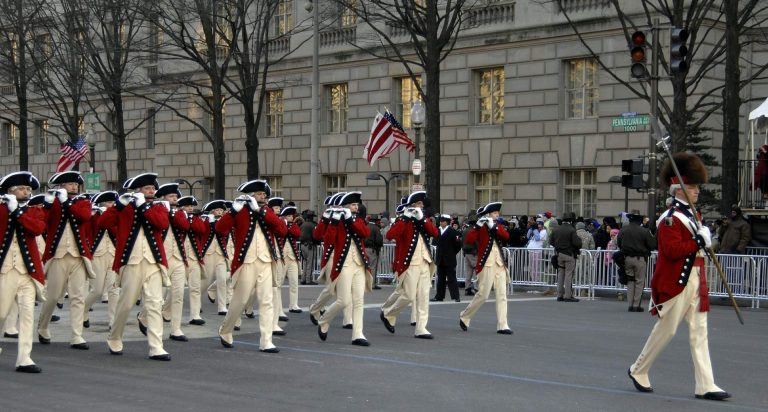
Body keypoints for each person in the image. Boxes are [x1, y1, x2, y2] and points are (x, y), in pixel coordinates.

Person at [628, 152, 731, 401]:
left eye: (696, 187)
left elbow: (695, 249)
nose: (697, 191)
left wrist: (704, 241)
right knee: (667, 330)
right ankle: (638, 369)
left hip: (696, 277)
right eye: (692, 187)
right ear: (679, 190)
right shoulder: (671, 219)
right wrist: (698, 241)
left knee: (700, 331)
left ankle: (705, 384)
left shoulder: (693, 216)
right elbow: (671, 251)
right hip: (677, 280)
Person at [100, 173, 171, 360]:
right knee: (126, 304)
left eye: (153, 188)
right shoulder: (125, 208)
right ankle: (115, 336)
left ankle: (156, 346)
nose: (151, 191)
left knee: (155, 304)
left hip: (154, 262)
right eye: (147, 188)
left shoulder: (159, 207)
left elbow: (161, 224)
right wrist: (118, 205)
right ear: (138, 191)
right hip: (131, 261)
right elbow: (103, 223)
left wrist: (144, 206)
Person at [216, 179, 286, 352]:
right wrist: (233, 211)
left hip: (266, 261)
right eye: (259, 194)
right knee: (240, 300)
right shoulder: (240, 211)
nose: (263, 197)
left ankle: (266, 341)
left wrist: (261, 211)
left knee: (267, 301)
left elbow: (282, 230)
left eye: (264, 194)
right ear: (250, 195)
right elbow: (220, 229)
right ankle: (226, 330)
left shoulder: (267, 211)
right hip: (246, 261)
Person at [37, 171, 93, 350]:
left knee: (78, 297)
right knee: (53, 296)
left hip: (78, 256)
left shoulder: (83, 202)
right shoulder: (53, 203)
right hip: (57, 255)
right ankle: (43, 326)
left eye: (76, 184)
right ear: (61, 186)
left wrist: (67, 203)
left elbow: (85, 217)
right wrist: (49, 204)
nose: (74, 187)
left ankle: (77, 335)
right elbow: (42, 221)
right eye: (70, 184)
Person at [0, 172, 47, 373]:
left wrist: (17, 212)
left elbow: (37, 229)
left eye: (28, 189)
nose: (26, 192)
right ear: (10, 191)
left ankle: (24, 358)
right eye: (21, 188)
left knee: (27, 315)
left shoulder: (33, 211)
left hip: (28, 272)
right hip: (6, 270)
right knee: (1, 313)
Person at [380, 192, 439, 339]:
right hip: (410, 263)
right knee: (409, 295)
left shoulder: (423, 219)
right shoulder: (403, 220)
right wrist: (406, 218)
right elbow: (390, 235)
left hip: (425, 261)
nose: (422, 206)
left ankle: (421, 328)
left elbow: (435, 233)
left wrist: (422, 219)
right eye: (419, 204)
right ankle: (388, 313)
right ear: (412, 205)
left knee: (424, 296)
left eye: (422, 204)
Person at [317, 191, 372, 346]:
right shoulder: (337, 220)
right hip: (344, 264)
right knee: (343, 300)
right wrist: (333, 222)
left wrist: (350, 220)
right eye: (353, 205)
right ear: (345, 206)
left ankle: (358, 334)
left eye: (356, 205)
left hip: (359, 263)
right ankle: (324, 319)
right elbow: (327, 239)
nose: (356, 207)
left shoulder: (358, 220)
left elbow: (365, 233)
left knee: (359, 300)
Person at [459, 202, 512, 334]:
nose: (497, 215)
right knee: (483, 294)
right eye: (495, 213)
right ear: (488, 214)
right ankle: (465, 316)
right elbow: (469, 240)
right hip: (487, 263)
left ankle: (503, 325)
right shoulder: (481, 227)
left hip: (499, 263)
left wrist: (494, 226)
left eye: (497, 213)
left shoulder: (497, 225)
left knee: (502, 295)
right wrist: (478, 226)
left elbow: (506, 236)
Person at [153, 183, 191, 342]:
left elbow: (185, 227)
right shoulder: (156, 210)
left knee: (178, 294)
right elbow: (159, 224)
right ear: (163, 198)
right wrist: (165, 211)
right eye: (171, 196)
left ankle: (176, 329)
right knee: (157, 295)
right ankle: (145, 318)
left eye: (176, 196)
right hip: (161, 258)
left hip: (178, 258)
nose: (175, 199)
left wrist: (173, 213)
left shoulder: (179, 213)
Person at [83, 191, 119, 329]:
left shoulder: (116, 216)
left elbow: (116, 231)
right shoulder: (95, 216)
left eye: (113, 202)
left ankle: (113, 321)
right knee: (97, 290)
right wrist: (96, 214)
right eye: (109, 202)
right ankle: (83, 311)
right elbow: (91, 230)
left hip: (113, 254)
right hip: (98, 255)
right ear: (102, 204)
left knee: (114, 289)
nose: (112, 205)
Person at [177, 196, 208, 326]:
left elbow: (201, 230)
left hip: (194, 258)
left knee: (195, 288)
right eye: (187, 206)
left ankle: (195, 315)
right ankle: (166, 311)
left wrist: (192, 219)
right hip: (180, 258)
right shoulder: (177, 216)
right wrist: (185, 218)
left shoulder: (195, 218)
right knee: (176, 289)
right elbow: (182, 227)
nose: (190, 208)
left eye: (191, 206)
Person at [617, 213, 657, 312]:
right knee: (639, 281)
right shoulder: (644, 231)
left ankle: (630, 304)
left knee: (630, 281)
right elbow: (652, 245)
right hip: (640, 258)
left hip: (627, 258)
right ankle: (636, 305)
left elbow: (619, 243)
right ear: (639, 220)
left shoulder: (623, 230)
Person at [200, 200, 230, 316]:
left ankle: (222, 307)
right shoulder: (206, 221)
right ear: (212, 211)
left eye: (221, 210)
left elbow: (224, 233)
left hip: (220, 254)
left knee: (222, 280)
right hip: (208, 254)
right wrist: (208, 221)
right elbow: (202, 231)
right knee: (206, 280)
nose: (219, 212)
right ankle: (197, 301)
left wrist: (217, 223)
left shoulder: (224, 222)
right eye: (217, 210)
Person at [549, 212, 582, 302]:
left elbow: (551, 241)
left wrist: (558, 246)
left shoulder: (556, 229)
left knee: (560, 274)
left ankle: (559, 295)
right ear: (571, 220)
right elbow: (578, 244)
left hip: (559, 254)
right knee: (568, 274)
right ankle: (568, 295)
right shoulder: (571, 230)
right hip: (569, 254)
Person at [431, 214, 462, 302]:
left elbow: (458, 245)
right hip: (440, 259)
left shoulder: (453, 232)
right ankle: (439, 296)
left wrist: (452, 253)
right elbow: (434, 243)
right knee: (440, 279)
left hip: (449, 259)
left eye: (443, 221)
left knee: (452, 278)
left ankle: (456, 296)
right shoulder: (437, 231)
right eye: (440, 221)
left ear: (447, 222)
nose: (441, 222)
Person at [279, 203, 302, 314]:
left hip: (292, 257)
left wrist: (290, 226)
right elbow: (281, 233)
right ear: (284, 216)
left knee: (294, 282)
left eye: (292, 216)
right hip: (282, 257)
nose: (291, 218)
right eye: (288, 216)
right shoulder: (280, 224)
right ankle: (278, 306)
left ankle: (293, 305)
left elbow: (297, 234)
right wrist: (284, 224)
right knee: (279, 282)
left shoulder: (294, 225)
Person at [363, 209, 383, 290]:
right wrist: (380, 245)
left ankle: (365, 283)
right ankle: (372, 284)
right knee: (372, 267)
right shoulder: (376, 228)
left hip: (364, 248)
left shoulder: (366, 226)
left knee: (365, 266)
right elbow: (378, 240)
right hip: (372, 249)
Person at [461, 211, 478, 295]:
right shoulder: (475, 231)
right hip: (474, 253)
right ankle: (476, 288)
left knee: (468, 272)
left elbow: (462, 242)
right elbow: (476, 243)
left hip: (466, 253)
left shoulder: (465, 230)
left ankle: (467, 289)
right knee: (477, 272)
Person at [299, 210, 318, 285]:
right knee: (310, 263)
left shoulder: (302, 225)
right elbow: (315, 236)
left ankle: (303, 279)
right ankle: (308, 279)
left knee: (305, 262)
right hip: (310, 246)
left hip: (302, 245)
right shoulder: (312, 225)